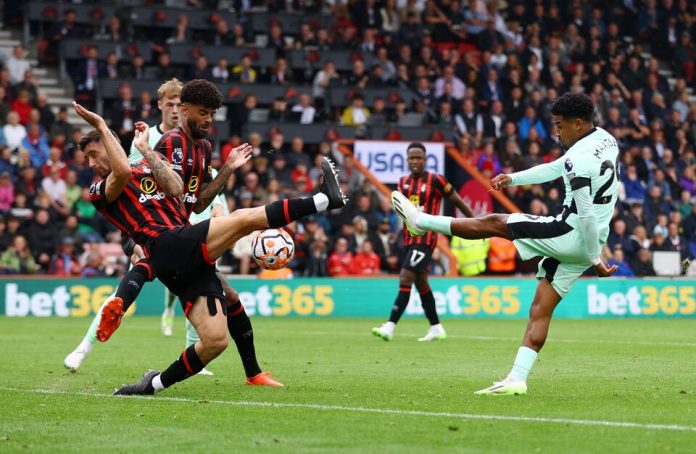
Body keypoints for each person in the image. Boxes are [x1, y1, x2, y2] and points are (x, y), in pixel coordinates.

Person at [72, 89, 346, 396]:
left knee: (215, 340)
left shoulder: (154, 166)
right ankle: (324, 199)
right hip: (164, 244)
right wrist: (102, 126)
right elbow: (140, 175)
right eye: (89, 157)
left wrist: (226, 167)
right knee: (242, 219)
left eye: (95, 153)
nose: (92, 162)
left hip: (180, 254)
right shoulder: (101, 190)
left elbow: (196, 202)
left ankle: (153, 384)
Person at [391, 92, 620, 394]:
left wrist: (595, 259)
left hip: (572, 234)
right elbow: (556, 168)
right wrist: (514, 178)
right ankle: (517, 378)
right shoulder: (605, 139)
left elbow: (586, 214)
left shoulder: (578, 158)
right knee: (541, 307)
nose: (556, 131)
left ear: (578, 123)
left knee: (496, 222)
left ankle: (422, 222)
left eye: (560, 125)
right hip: (590, 239)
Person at [372, 142, 473, 342]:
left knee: (405, 277)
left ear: (425, 160)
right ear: (407, 160)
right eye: (412, 158)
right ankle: (436, 327)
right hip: (408, 240)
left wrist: (474, 221)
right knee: (421, 283)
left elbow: (456, 200)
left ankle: (390, 327)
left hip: (426, 239)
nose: (415, 161)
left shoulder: (436, 180)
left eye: (419, 157)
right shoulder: (402, 182)